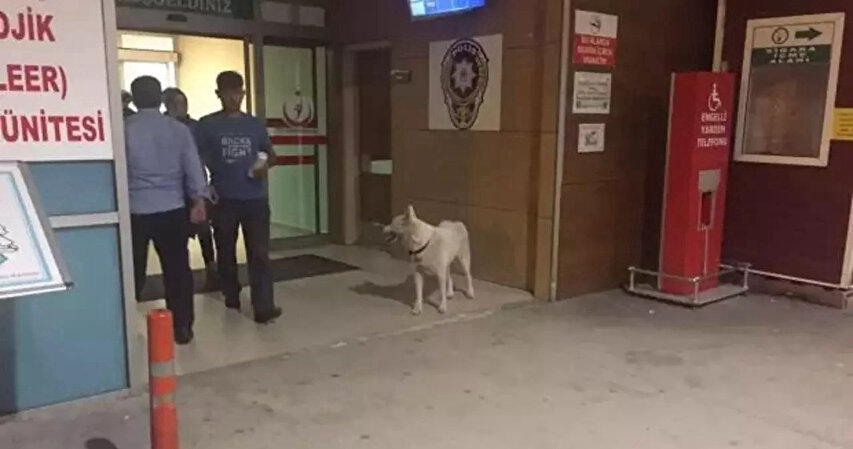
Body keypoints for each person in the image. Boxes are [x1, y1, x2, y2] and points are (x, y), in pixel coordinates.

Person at [126, 76, 208, 345]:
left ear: (134, 99)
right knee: (177, 271)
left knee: (133, 271)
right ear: (160, 98)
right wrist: (198, 200)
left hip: (135, 210)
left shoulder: (124, 129)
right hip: (172, 208)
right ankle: (182, 327)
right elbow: (192, 166)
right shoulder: (177, 129)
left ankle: (126, 326)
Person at [195, 71, 282, 324]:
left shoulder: (254, 124)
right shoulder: (207, 125)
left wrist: (263, 166)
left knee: (259, 253)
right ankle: (231, 293)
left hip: (255, 198)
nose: (235, 98)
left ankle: (263, 306)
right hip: (223, 198)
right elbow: (195, 159)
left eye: (239, 93)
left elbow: (270, 155)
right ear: (218, 94)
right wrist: (203, 188)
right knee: (225, 250)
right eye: (229, 94)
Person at [163, 87, 219, 290]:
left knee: (204, 230)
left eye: (184, 102)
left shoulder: (196, 127)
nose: (182, 107)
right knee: (178, 235)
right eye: (177, 103)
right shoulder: (163, 127)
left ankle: (211, 268)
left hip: (196, 186)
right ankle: (181, 274)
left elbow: (205, 155)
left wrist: (208, 183)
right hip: (173, 189)